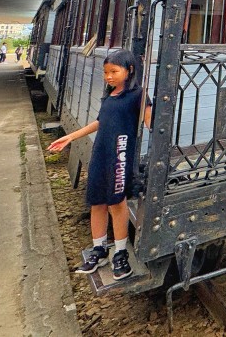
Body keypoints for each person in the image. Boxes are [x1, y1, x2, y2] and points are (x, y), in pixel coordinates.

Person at [48, 49, 151, 280]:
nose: (109, 76)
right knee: (97, 202)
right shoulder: (109, 95)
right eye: (106, 72)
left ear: (130, 70)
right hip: (100, 154)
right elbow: (99, 122)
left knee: (117, 203)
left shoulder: (138, 95)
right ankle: (99, 249)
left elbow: (150, 121)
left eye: (114, 71)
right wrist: (71, 137)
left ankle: (121, 251)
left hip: (119, 155)